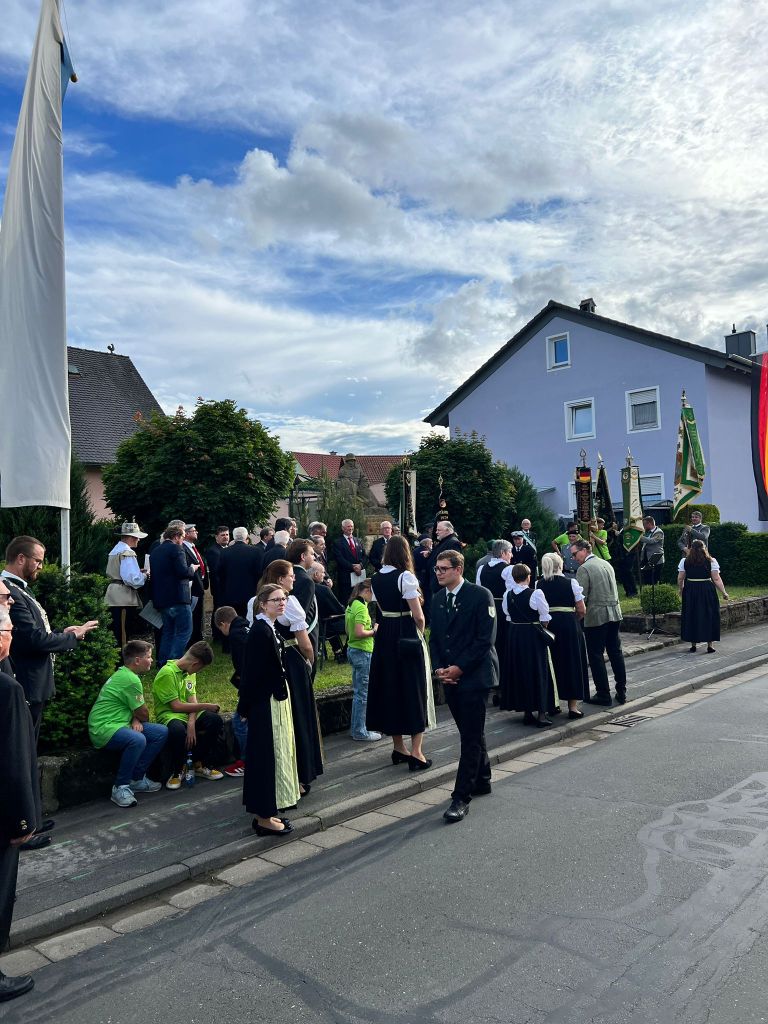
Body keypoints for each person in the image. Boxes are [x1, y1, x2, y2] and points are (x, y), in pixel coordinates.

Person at [2, 535, 99, 740]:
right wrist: (72, 638)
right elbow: (33, 639)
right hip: (25, 683)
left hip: (30, 683)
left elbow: (30, 635)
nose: (41, 567)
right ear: (21, 558)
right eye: (37, 561)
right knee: (23, 748)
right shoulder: (9, 591)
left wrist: (63, 633)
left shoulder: (17, 589)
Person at [430, 551, 497, 823]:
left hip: (473, 676)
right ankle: (482, 778)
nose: (438, 573)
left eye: (443, 568)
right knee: (471, 731)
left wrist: (460, 667)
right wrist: (439, 669)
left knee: (469, 737)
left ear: (458, 569)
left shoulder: (480, 596)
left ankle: (461, 797)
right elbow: (435, 638)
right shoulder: (437, 599)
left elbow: (485, 640)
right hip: (450, 676)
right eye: (436, 569)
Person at [0, 606, 41, 1003]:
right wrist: (23, 822)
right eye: (7, 629)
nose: (11, 634)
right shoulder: (7, 689)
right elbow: (14, 764)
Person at [367, 535, 435, 769]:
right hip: (405, 633)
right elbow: (418, 616)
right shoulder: (405, 576)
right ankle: (416, 752)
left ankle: (399, 747)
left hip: (385, 635)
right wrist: (419, 636)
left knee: (391, 688)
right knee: (414, 688)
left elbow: (380, 608)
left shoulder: (376, 578)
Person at [238, 584, 300, 835]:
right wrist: (245, 707)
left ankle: (269, 811)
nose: (282, 603)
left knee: (277, 754)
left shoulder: (269, 628)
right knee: (266, 757)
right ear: (263, 604)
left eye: (284, 599)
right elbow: (251, 674)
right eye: (276, 600)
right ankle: (263, 818)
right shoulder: (259, 631)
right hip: (264, 703)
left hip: (274, 700)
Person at [258, 560, 323, 793]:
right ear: (280, 579)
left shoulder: (255, 602)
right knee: (298, 716)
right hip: (292, 663)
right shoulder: (290, 603)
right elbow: (305, 643)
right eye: (290, 575)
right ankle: (300, 774)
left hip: (269, 663)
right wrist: (309, 662)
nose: (294, 578)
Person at [87, 640, 168, 807]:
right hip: (104, 728)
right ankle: (120, 787)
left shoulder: (125, 674)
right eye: (149, 657)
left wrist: (135, 718)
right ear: (137, 660)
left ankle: (136, 779)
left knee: (160, 732)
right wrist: (137, 717)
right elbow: (144, 713)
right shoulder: (131, 679)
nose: (151, 660)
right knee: (137, 739)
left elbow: (137, 712)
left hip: (120, 723)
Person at [151, 641, 224, 788]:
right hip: (170, 714)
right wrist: (205, 706)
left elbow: (192, 700)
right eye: (200, 668)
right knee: (178, 730)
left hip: (188, 712)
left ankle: (199, 763)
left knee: (215, 720)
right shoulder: (167, 673)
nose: (198, 671)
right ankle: (178, 770)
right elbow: (176, 706)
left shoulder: (190, 673)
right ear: (195, 664)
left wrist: (191, 722)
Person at [571, 538, 627, 705]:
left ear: (584, 550)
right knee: (615, 652)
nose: (573, 558)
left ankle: (603, 694)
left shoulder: (584, 569)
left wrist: (577, 616)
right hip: (614, 613)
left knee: (596, 655)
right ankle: (621, 691)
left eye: (575, 554)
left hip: (596, 616)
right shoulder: (606, 563)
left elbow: (582, 598)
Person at [500, 562, 555, 728]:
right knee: (538, 670)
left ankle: (527, 712)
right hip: (532, 637)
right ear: (528, 577)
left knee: (520, 671)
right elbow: (545, 617)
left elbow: (508, 615)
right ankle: (542, 714)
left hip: (515, 636)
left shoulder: (507, 595)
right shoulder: (536, 593)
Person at [537, 553, 587, 718]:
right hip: (568, 625)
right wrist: (573, 620)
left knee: (551, 664)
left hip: (548, 627)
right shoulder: (571, 582)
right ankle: (573, 707)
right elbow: (581, 609)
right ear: (560, 565)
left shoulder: (539, 584)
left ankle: (552, 704)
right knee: (571, 663)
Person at [149, 525, 198, 667]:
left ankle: (162, 663)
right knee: (184, 632)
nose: (183, 540)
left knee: (168, 632)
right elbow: (183, 572)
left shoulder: (155, 552)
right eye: (182, 537)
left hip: (162, 599)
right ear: (176, 536)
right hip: (178, 597)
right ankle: (173, 663)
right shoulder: (177, 549)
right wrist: (192, 568)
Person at [213, 605, 250, 776]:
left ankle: (246, 761)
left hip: (250, 686)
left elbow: (243, 665)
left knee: (239, 722)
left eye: (220, 629)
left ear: (223, 624)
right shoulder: (248, 626)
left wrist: (243, 693)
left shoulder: (236, 635)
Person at [345, 579, 382, 742]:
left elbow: (349, 631)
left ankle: (356, 727)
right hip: (362, 651)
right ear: (367, 591)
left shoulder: (352, 604)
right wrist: (374, 631)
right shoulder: (361, 607)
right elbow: (359, 632)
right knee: (363, 694)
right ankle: (360, 731)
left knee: (358, 692)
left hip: (353, 649)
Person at [678, 539, 729, 653]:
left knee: (692, 614)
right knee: (709, 614)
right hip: (706, 589)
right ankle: (710, 645)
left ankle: (693, 645)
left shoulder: (684, 561)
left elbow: (680, 578)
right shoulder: (711, 561)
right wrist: (724, 592)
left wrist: (681, 590)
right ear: (704, 548)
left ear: (691, 549)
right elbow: (716, 579)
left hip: (690, 590)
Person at [104, 521, 149, 648]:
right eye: (137, 537)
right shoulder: (127, 552)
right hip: (123, 597)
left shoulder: (115, 550)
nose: (138, 540)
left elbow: (120, 572)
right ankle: (122, 659)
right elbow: (133, 580)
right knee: (123, 634)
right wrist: (145, 575)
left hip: (113, 594)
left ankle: (117, 657)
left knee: (116, 632)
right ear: (131, 537)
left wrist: (137, 572)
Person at [477, 540, 512, 690]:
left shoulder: (482, 568)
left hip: (487, 609)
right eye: (509, 552)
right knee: (503, 644)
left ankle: (492, 677)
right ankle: (503, 680)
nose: (511, 555)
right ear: (503, 553)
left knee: (491, 643)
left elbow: (479, 590)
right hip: (503, 610)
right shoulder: (508, 569)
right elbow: (511, 593)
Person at [218, 526, 262, 618]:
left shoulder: (224, 552)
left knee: (233, 619)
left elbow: (220, 574)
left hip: (230, 593)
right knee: (249, 619)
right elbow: (259, 573)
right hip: (250, 593)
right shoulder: (256, 551)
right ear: (246, 537)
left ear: (234, 537)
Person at [310, 563, 346, 660]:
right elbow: (338, 609)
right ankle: (345, 653)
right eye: (323, 572)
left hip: (315, 626)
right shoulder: (323, 590)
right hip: (327, 626)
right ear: (315, 574)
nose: (324, 575)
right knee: (355, 623)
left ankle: (338, 651)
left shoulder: (302, 588)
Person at [183, 524, 209, 644]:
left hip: (199, 585)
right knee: (193, 615)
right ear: (186, 534)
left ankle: (197, 638)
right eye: (194, 531)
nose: (197, 532)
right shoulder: (183, 548)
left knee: (198, 615)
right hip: (191, 587)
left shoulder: (193, 547)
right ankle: (192, 640)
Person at [205, 526, 230, 647]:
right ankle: (217, 635)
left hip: (226, 587)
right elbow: (216, 572)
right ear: (216, 537)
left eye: (227, 535)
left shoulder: (228, 549)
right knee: (218, 610)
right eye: (222, 535)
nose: (225, 537)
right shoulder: (213, 551)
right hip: (219, 587)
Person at [332, 519, 367, 606]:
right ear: (343, 528)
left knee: (360, 600)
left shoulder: (358, 541)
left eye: (352, 526)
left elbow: (365, 556)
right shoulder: (337, 542)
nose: (350, 528)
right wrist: (353, 567)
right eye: (348, 526)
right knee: (346, 601)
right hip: (346, 578)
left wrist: (360, 565)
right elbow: (339, 559)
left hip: (359, 577)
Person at [427, 521, 462, 597]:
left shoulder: (453, 543)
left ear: (447, 530)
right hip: (438, 585)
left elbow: (453, 564)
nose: (436, 532)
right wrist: (430, 554)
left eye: (439, 530)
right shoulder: (444, 542)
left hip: (444, 587)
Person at [639, 515, 665, 586]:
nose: (643, 526)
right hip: (646, 558)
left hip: (656, 559)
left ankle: (656, 591)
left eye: (644, 524)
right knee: (647, 578)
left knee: (655, 579)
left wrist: (639, 537)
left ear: (649, 524)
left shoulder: (659, 532)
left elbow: (651, 541)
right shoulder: (647, 532)